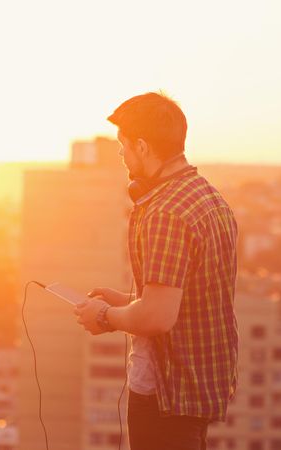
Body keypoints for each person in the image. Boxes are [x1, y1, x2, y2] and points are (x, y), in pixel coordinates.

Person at [73, 92, 239, 450]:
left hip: (165, 395)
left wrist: (104, 316)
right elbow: (186, 299)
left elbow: (158, 317)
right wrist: (128, 301)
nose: (121, 155)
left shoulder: (165, 211)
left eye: (124, 146)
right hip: (196, 388)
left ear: (144, 147)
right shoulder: (208, 197)